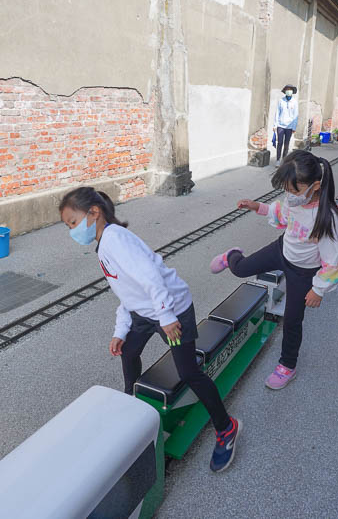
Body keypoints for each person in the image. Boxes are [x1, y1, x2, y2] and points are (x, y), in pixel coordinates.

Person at [59, 187, 241, 472]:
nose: (71, 230)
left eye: (72, 222)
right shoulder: (104, 242)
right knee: (128, 350)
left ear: (93, 213)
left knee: (189, 372)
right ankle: (132, 404)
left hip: (172, 310)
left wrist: (167, 316)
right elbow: (128, 293)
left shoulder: (115, 240)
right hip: (144, 311)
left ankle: (227, 427)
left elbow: (150, 276)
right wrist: (121, 330)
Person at [210, 150, 338, 389]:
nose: (289, 195)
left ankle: (287, 366)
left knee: (292, 320)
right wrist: (256, 206)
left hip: (304, 273)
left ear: (316, 186)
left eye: (294, 190)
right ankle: (231, 256)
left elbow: (333, 261)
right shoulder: (294, 200)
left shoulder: (326, 219)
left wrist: (318, 290)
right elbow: (280, 213)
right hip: (282, 251)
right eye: (286, 189)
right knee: (241, 269)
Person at [274, 84, 299, 163]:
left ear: (292, 91)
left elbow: (295, 115)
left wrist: (294, 127)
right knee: (280, 143)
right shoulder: (281, 101)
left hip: (289, 126)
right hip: (280, 126)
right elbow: (277, 113)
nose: (289, 91)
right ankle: (278, 160)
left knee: (286, 144)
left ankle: (284, 160)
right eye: (287, 89)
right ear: (285, 91)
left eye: (290, 89)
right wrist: (275, 125)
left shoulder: (294, 102)